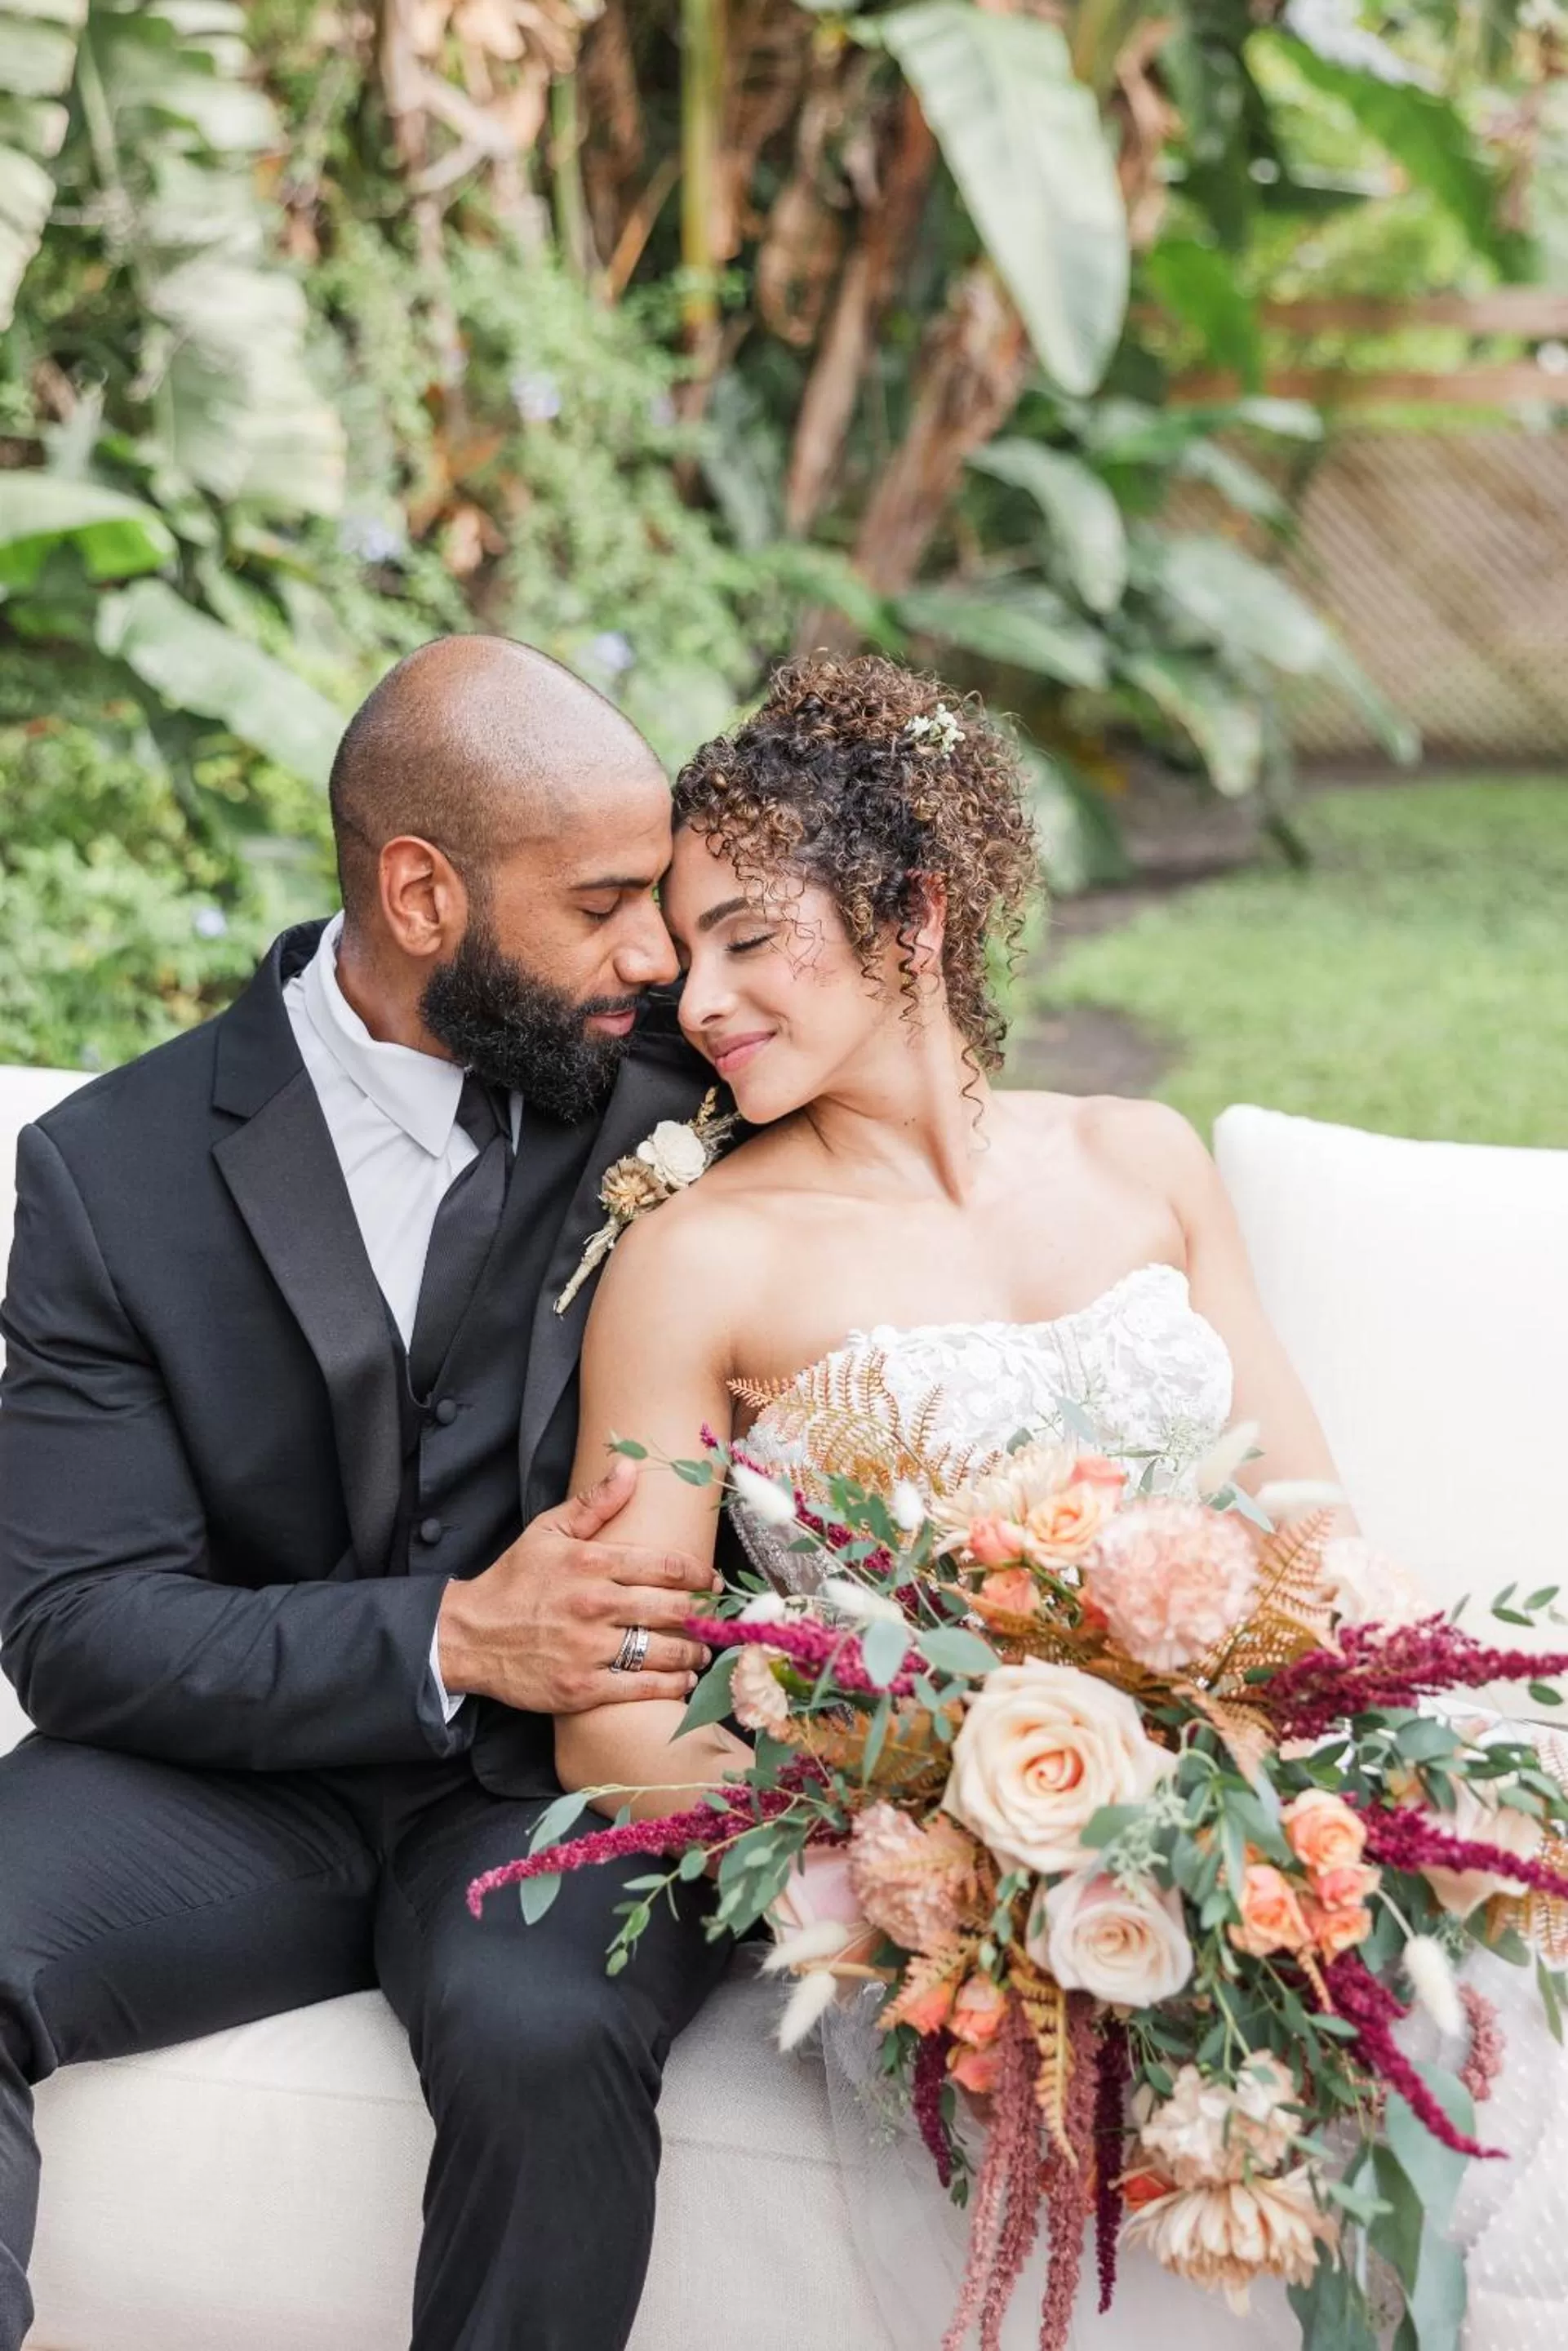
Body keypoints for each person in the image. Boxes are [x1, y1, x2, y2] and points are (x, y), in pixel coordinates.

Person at [553, 653, 1568, 2349]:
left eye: (749, 937)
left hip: (1252, 1821)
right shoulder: (698, 1260)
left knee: (1488, 2015)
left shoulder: (1141, 1159)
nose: (701, 999)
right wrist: (936, 1854)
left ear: (916, 911)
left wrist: (1322, 1797)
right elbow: (613, 1723)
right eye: (683, 951)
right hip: (976, 1925)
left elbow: (1313, 1534)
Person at [0, 635, 734, 2351]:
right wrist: (451, 1639)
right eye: (605, 902)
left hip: (556, 1789)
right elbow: (75, 1623)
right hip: (230, 1787)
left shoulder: (699, 1091)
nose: (658, 954)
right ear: (420, 894)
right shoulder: (109, 1173)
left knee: (544, 2031)